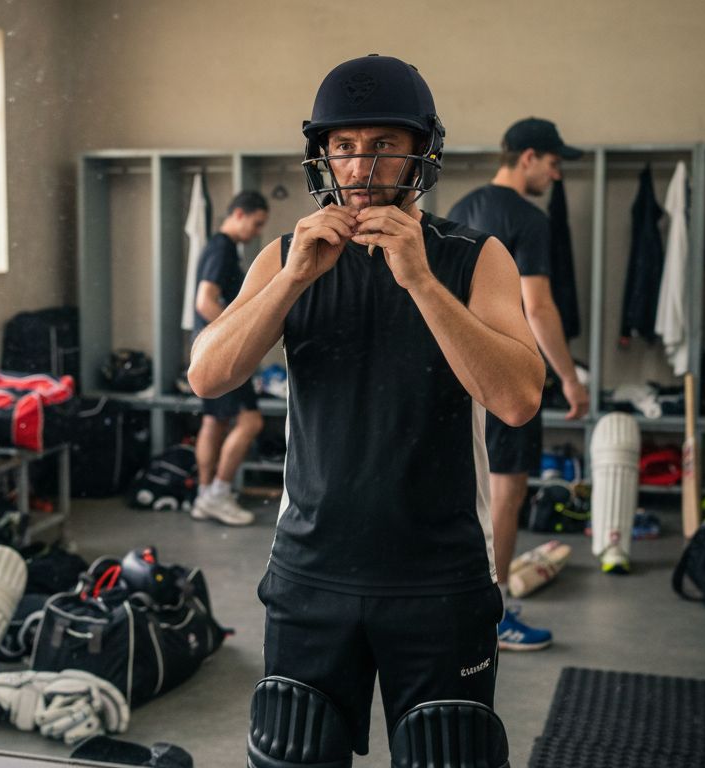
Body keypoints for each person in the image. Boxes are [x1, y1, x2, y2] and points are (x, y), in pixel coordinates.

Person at [189, 55, 543, 762]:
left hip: (440, 579)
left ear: (421, 151)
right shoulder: (288, 255)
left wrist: (420, 282)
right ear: (323, 153)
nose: (360, 165)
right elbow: (207, 375)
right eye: (343, 146)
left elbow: (518, 399)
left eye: (382, 144)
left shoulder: (476, 257)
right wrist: (290, 280)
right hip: (310, 574)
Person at [447, 117, 588, 652]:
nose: (555, 176)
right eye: (554, 164)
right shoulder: (529, 218)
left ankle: (467, 600)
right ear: (528, 157)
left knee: (473, 488)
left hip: (460, 371)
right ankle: (492, 615)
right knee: (507, 490)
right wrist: (571, 380)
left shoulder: (461, 209)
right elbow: (538, 306)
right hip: (506, 371)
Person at [190, 191, 269, 526]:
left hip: (211, 350)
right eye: (256, 223)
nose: (256, 232)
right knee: (251, 421)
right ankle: (218, 493)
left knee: (215, 422)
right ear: (239, 214)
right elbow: (205, 302)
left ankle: (205, 496)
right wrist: (237, 335)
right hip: (223, 353)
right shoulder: (222, 247)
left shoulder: (217, 246)